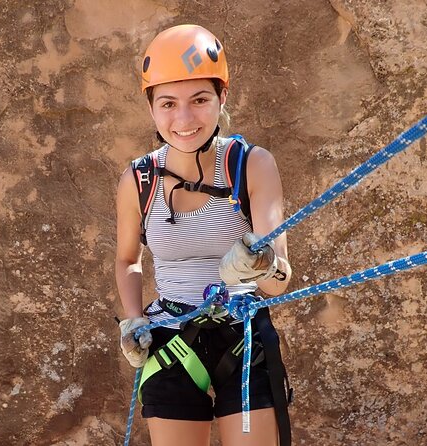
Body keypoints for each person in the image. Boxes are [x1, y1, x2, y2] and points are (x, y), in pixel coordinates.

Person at [115, 24, 293, 446]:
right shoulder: (138, 180)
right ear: (151, 107)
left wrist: (261, 264)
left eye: (199, 100)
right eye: (168, 103)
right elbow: (127, 259)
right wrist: (133, 318)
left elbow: (281, 280)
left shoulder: (251, 165)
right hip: (171, 337)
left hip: (242, 335)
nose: (183, 119)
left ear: (222, 98)